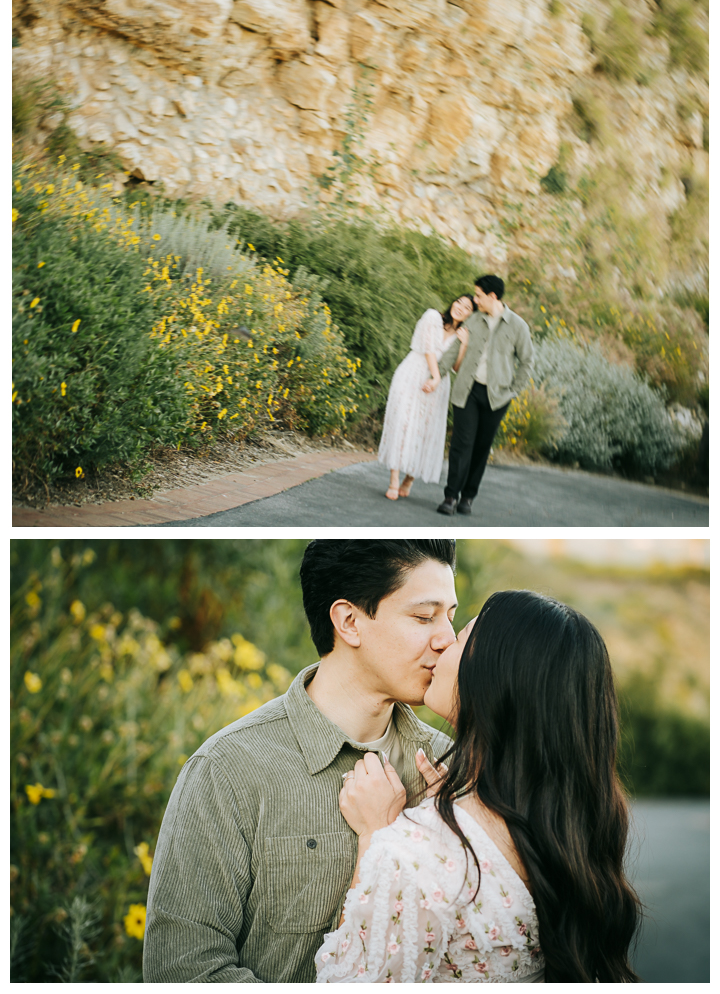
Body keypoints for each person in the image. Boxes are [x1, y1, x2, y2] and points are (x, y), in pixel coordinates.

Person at [143, 540, 457, 983]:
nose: (447, 638)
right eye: (424, 617)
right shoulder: (228, 769)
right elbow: (184, 972)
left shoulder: (450, 764)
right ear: (349, 621)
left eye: (451, 616)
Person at [316, 590, 642, 983]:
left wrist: (376, 835)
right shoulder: (567, 830)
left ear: (492, 677)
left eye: (464, 633)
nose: (444, 642)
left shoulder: (411, 857)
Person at [429, 274, 533, 516]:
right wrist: (437, 376)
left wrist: (513, 390)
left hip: (498, 397)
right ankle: (450, 496)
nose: (475, 300)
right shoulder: (474, 320)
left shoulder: (518, 326)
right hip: (468, 390)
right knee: (460, 444)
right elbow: (454, 349)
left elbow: (527, 362)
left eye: (478, 295)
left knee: (481, 447)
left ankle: (468, 496)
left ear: (492, 296)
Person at [378, 296, 475, 500]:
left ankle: (409, 479)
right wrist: (436, 376)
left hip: (438, 386)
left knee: (426, 430)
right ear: (453, 303)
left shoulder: (462, 334)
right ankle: (394, 479)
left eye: (467, 307)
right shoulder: (433, 317)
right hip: (414, 375)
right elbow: (429, 350)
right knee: (402, 424)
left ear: (470, 315)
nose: (460, 308)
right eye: (459, 302)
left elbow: (456, 367)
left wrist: (464, 345)